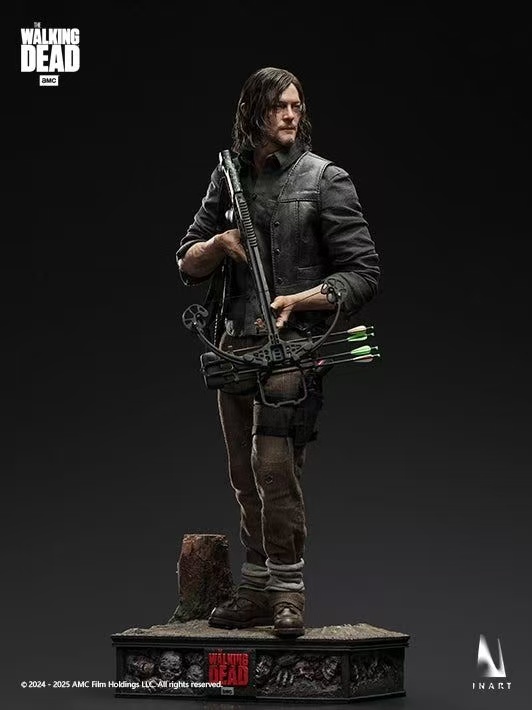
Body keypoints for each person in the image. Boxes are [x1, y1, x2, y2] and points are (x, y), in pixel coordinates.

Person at [176, 67, 379, 637]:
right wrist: (219, 243)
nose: (291, 114)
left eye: (296, 105)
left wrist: (303, 299)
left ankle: (288, 590)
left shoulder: (325, 179)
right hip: (234, 348)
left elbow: (363, 273)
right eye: (279, 106)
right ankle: (257, 588)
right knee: (243, 475)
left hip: (292, 349)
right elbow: (187, 262)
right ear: (254, 112)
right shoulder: (229, 178)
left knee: (275, 469)